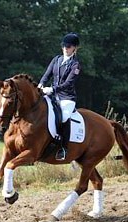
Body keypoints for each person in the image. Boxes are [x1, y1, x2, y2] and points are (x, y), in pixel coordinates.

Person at [38, 32, 81, 160]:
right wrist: (41, 84)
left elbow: (68, 83)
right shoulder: (56, 60)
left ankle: (64, 148)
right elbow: (47, 74)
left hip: (67, 98)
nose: (65, 49)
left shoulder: (75, 65)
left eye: (68, 47)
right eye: (64, 46)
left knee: (63, 117)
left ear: (74, 48)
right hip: (52, 95)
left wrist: (52, 89)